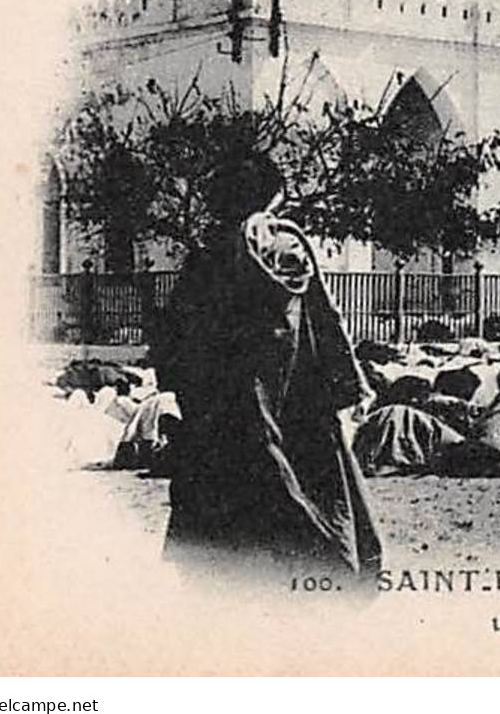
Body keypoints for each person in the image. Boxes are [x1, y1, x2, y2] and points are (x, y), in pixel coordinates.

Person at [151, 155, 382, 585]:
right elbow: (321, 330)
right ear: (271, 195)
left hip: (219, 419)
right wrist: (342, 389)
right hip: (291, 411)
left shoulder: (204, 262)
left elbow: (174, 344)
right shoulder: (288, 253)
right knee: (305, 520)